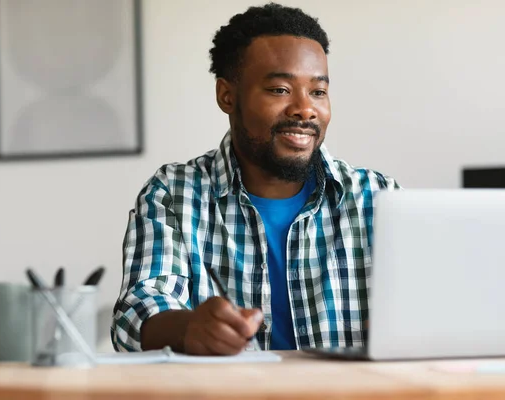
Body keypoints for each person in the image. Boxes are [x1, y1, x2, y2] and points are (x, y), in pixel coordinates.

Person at [111, 2, 400, 355]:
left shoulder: (380, 198)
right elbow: (136, 314)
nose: (305, 109)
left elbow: (435, 306)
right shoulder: (175, 193)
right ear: (227, 95)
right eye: (280, 89)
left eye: (318, 91)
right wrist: (190, 328)